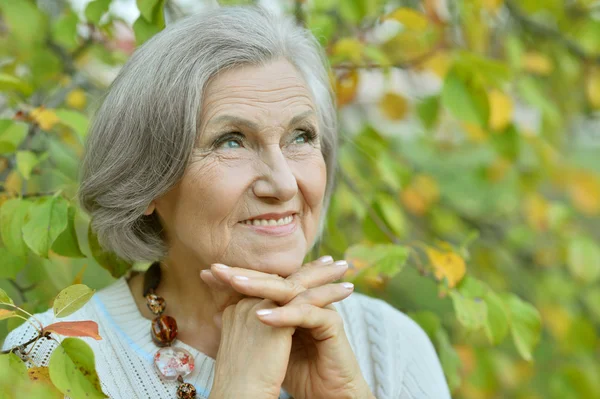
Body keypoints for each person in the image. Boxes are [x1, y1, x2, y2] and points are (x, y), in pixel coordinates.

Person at [1, 5, 451, 399]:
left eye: (301, 136)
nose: (283, 183)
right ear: (148, 181)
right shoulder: (43, 358)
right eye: (231, 141)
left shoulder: (387, 345)